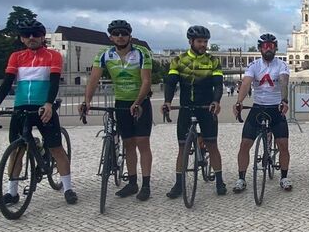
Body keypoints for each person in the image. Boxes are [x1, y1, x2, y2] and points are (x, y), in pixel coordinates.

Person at [0, 19, 77, 206]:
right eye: (26, 35)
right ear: (21, 38)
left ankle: (68, 188)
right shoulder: (16, 56)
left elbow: (54, 82)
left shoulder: (53, 55)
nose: (31, 38)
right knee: (16, 151)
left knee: (56, 149)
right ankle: (12, 193)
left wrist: (49, 103)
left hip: (43, 106)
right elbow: (7, 82)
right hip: (21, 106)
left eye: (35, 34)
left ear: (43, 37)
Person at [80, 20, 154, 201]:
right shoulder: (104, 54)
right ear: (110, 37)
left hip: (141, 102)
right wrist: (87, 101)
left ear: (130, 36)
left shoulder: (141, 52)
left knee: (142, 142)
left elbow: (146, 81)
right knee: (128, 143)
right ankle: (132, 182)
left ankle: (146, 184)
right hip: (121, 103)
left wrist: (137, 102)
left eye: (124, 33)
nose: (120, 36)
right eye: (116, 33)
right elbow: (93, 80)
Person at [162, 25, 227, 197]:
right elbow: (171, 83)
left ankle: (219, 181)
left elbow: (218, 85)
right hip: (186, 107)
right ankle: (178, 184)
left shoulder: (213, 61)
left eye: (205, 41)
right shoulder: (179, 60)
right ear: (191, 41)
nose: (203, 45)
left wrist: (216, 101)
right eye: (199, 41)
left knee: (212, 145)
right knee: (182, 147)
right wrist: (167, 102)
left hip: (206, 107)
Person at [232, 33, 292, 193]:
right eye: (265, 46)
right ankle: (241, 178)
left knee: (283, 145)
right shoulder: (254, 65)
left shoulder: (282, 65)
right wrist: (239, 101)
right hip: (258, 107)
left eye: (271, 46)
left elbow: (284, 81)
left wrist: (284, 100)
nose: (268, 49)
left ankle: (284, 177)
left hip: (276, 107)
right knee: (245, 144)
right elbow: (246, 84)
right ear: (260, 48)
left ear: (276, 48)